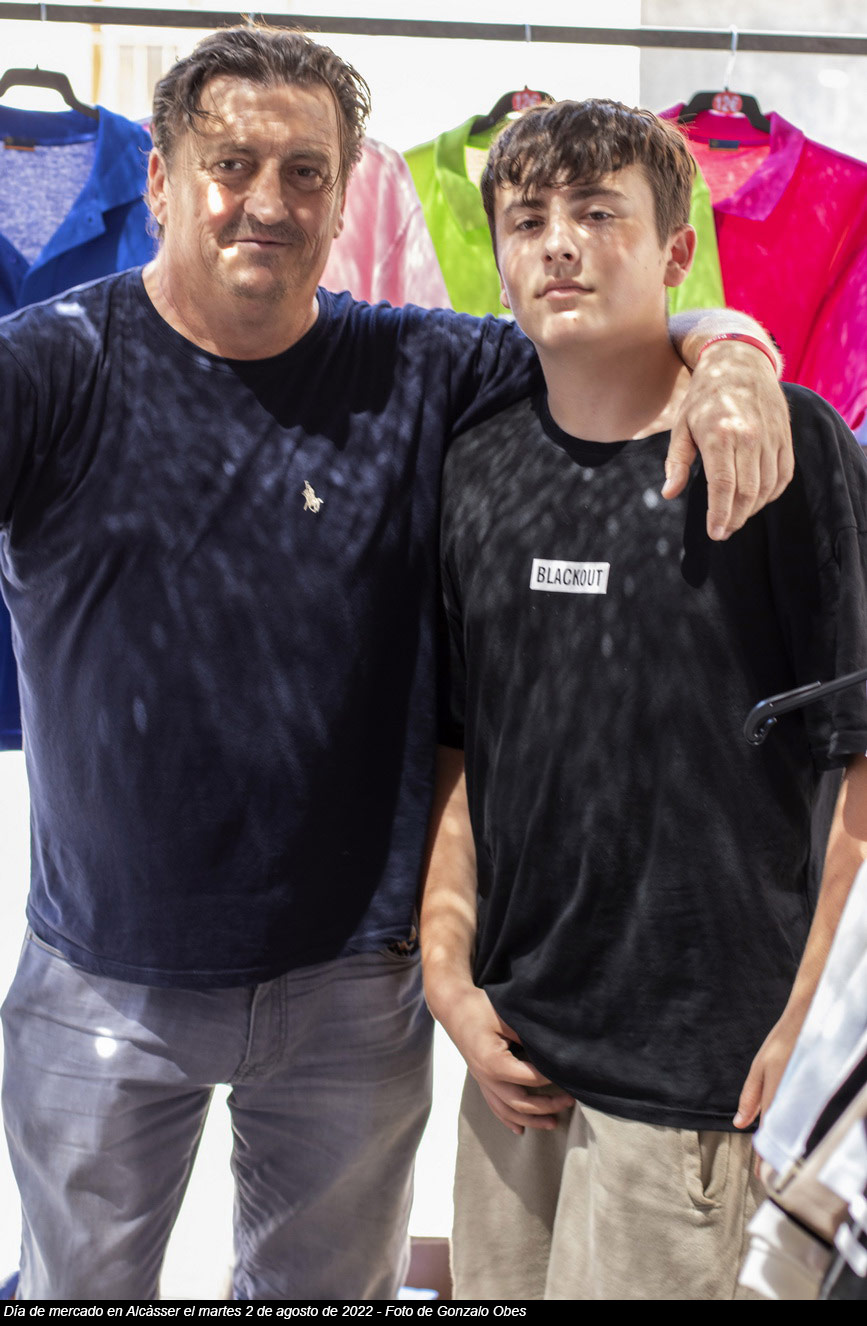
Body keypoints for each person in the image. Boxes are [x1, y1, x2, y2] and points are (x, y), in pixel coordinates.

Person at [0, 28, 792, 1302]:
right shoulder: (54, 367)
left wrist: (735, 354)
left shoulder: (418, 369)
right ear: (159, 179)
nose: (268, 202)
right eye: (231, 164)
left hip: (351, 993)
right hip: (103, 986)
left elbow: (613, 330)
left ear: (343, 195)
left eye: (305, 173)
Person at [421, 98, 867, 1301]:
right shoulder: (478, 464)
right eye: (528, 220)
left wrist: (805, 1021)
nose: (558, 244)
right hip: (515, 1059)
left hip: (698, 1074)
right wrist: (448, 977)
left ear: (676, 254)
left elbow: (858, 763)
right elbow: (465, 749)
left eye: (596, 213)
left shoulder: (785, 451)